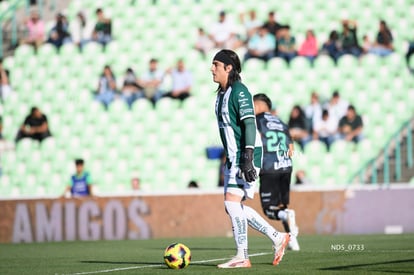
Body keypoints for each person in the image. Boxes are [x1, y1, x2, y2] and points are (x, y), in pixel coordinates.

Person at [211, 49, 289, 268]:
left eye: (216, 64)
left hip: (245, 153)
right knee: (233, 205)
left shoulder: (240, 91)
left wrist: (246, 157)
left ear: (229, 68)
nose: (212, 68)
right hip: (234, 155)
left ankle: (242, 256)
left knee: (231, 201)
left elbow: (249, 124)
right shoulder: (221, 94)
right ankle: (277, 237)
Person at [253, 93, 300, 251]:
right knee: (282, 206)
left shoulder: (256, 121)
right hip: (286, 166)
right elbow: (291, 148)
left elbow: (252, 141)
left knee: (269, 209)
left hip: (269, 167)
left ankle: (287, 220)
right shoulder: (281, 122)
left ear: (259, 105)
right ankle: (292, 240)